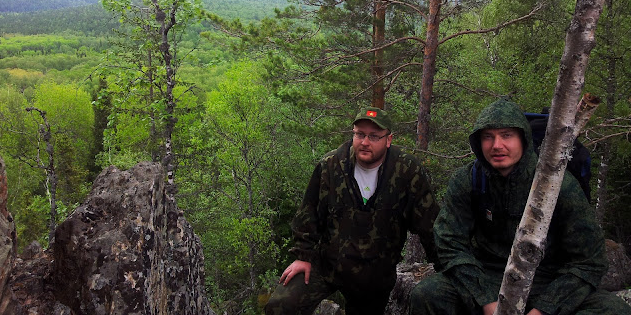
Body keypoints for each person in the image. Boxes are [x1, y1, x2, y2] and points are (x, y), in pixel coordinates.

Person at [410, 98, 631, 315]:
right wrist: (485, 298)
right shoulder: (470, 179)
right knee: (429, 294)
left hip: (548, 279)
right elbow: (449, 243)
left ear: (523, 138)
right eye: (488, 137)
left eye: (507, 135)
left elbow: (590, 260)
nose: (497, 145)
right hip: (490, 275)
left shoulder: (557, 184)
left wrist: (545, 308)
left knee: (614, 310)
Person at [265, 106, 440, 315]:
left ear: (389, 139)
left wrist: (444, 267)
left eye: (374, 136)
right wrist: (303, 256)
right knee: (281, 306)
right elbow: (308, 212)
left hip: (374, 275)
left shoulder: (406, 170)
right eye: (359, 134)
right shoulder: (332, 165)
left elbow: (430, 223)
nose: (365, 142)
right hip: (329, 264)